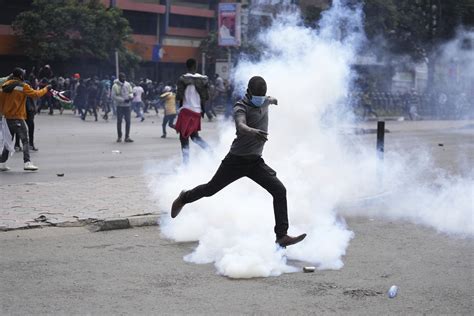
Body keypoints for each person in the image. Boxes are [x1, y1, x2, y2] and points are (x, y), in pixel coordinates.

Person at [171, 76, 307, 248]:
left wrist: (274, 100)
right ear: (249, 92)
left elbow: (269, 99)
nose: (260, 98)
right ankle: (184, 198)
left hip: (255, 162)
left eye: (263, 95)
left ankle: (281, 236)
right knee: (210, 189)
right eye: (257, 95)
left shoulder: (264, 101)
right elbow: (241, 125)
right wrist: (252, 131)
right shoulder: (240, 106)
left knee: (279, 190)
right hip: (235, 161)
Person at [0, 68, 49, 171]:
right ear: (21, 76)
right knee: (25, 140)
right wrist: (46, 89)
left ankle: (2, 163)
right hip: (17, 117)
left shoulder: (4, 85)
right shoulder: (23, 86)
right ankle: (27, 162)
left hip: (6, 118)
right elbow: (36, 94)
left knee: (8, 141)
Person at [175, 58, 210, 163]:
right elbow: (206, 97)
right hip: (197, 112)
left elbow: (178, 96)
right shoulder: (203, 79)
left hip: (186, 110)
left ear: (187, 66)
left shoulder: (183, 79)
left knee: (183, 138)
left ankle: (186, 164)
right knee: (195, 137)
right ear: (196, 66)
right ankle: (210, 151)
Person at [112, 73, 133, 143]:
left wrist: (131, 97)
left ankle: (127, 137)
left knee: (128, 122)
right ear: (119, 78)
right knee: (119, 122)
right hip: (120, 106)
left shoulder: (128, 84)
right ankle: (119, 137)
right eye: (122, 77)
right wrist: (123, 100)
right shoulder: (115, 86)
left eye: (124, 77)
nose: (123, 79)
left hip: (128, 106)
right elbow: (114, 96)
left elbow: (131, 92)